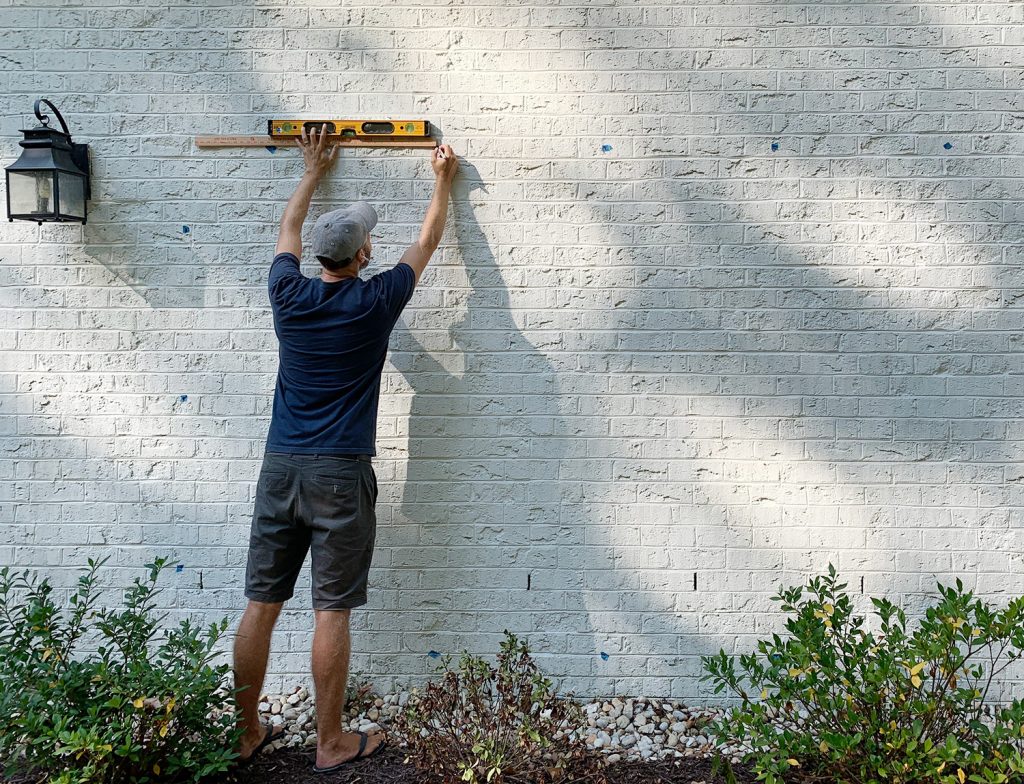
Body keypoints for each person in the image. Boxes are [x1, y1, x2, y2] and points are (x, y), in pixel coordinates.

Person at [231, 126, 458, 773]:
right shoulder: (376, 300)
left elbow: (287, 231)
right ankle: (330, 743)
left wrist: (310, 171)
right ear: (362, 256)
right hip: (339, 474)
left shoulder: (287, 295)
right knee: (331, 608)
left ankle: (247, 732)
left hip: (281, 468)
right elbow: (427, 241)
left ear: (319, 262)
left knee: (261, 602)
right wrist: (441, 182)